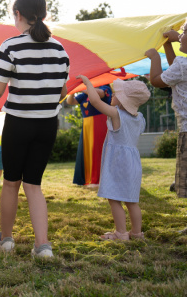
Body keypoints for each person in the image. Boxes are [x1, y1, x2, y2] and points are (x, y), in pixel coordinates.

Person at [0, 0, 70, 258]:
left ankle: (7, 240)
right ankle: (43, 246)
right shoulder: (60, 49)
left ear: (18, 14)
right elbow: (62, 92)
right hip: (48, 125)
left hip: (18, 123)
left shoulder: (11, 46)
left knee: (11, 182)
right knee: (34, 185)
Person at [77, 76, 150, 239]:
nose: (113, 96)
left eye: (117, 94)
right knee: (132, 201)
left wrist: (88, 83)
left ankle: (121, 233)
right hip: (133, 163)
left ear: (124, 101)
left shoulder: (117, 115)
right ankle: (137, 233)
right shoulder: (140, 118)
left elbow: (95, 102)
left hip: (118, 163)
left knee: (114, 198)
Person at [146, 26, 186, 202]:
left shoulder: (184, 65)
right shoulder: (182, 65)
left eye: (183, 34)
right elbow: (176, 67)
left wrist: (155, 56)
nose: (180, 36)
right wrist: (168, 45)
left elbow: (156, 80)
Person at [66, 85, 113, 187]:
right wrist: (73, 91)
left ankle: (98, 179)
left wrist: (80, 87)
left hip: (100, 122)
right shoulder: (84, 94)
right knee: (87, 151)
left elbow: (99, 94)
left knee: (98, 150)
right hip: (87, 124)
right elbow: (71, 102)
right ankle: (88, 178)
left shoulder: (105, 87)